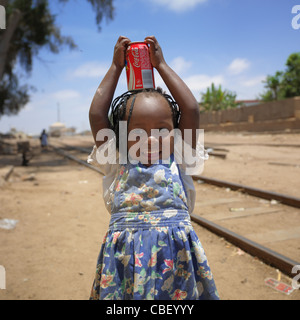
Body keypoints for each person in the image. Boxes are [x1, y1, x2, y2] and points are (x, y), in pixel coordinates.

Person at [87, 35, 219, 300]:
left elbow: (190, 109)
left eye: (162, 129)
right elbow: (97, 115)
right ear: (121, 136)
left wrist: (162, 66)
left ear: (176, 133)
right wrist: (116, 68)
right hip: (126, 261)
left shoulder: (180, 155)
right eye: (136, 131)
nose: (151, 139)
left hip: (176, 259)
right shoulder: (116, 158)